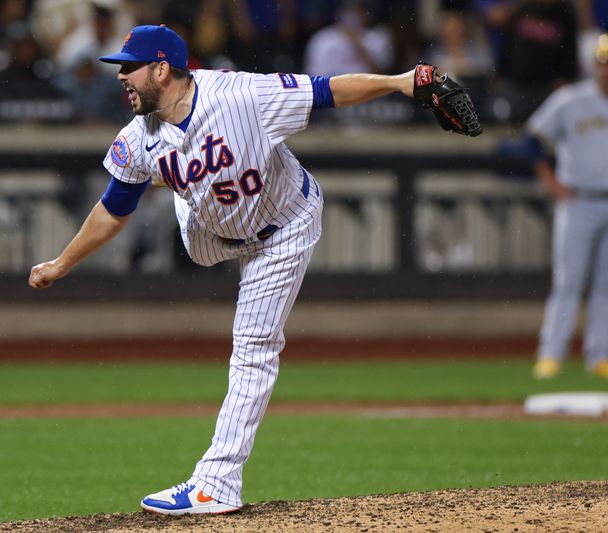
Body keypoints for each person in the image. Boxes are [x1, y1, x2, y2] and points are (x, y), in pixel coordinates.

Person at [28, 24, 418, 514]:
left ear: (162, 68)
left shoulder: (242, 94)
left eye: (130, 67)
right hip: (206, 236)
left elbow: (328, 91)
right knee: (179, 197)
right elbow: (112, 209)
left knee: (253, 348)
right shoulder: (137, 136)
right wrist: (63, 263)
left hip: (284, 227)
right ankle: (197, 205)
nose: (122, 76)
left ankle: (218, 483)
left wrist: (401, 82)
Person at [529, 34, 608, 380]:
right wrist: (551, 182)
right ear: (594, 65)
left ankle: (600, 355)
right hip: (578, 200)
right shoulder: (570, 100)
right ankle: (551, 355)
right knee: (569, 280)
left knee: (606, 285)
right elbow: (533, 140)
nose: (606, 69)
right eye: (603, 62)